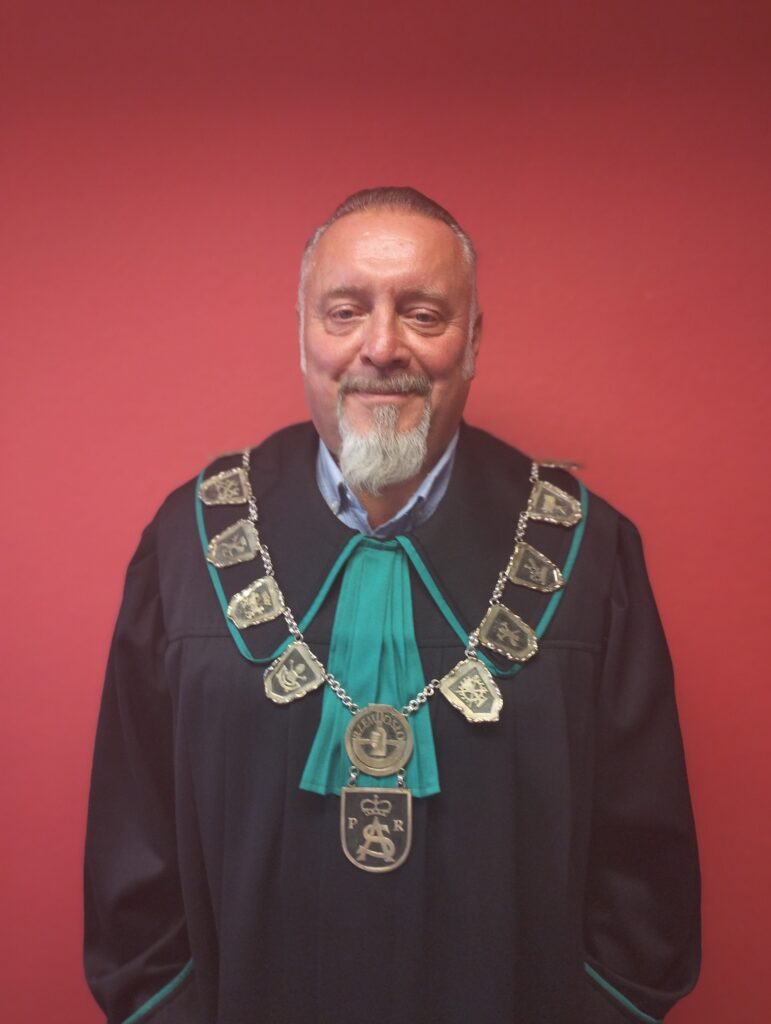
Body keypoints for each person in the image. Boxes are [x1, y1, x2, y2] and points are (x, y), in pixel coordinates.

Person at [84, 187, 700, 1024]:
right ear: (302, 334)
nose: (381, 347)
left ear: (472, 339)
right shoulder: (189, 545)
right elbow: (133, 847)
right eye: (344, 312)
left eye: (423, 313)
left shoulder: (586, 555)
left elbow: (644, 870)